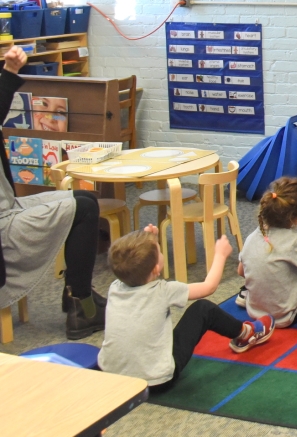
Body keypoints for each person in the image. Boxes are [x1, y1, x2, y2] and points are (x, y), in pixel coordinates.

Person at [0, 47, 104, 339]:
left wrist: (9, 72)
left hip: (11, 207)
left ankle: (75, 293)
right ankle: (82, 306)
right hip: (5, 228)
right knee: (83, 210)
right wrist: (8, 72)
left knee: (85, 201)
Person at [98, 226, 274, 391]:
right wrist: (220, 255)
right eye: (159, 249)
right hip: (158, 381)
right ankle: (246, 334)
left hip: (114, 377)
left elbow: (137, 263)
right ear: (156, 269)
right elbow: (209, 287)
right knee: (203, 310)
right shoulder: (162, 291)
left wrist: (150, 239)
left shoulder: (115, 287)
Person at [237, 177, 297, 327]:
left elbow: (241, 271)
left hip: (254, 311)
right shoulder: (296, 242)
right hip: (284, 316)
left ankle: (248, 293)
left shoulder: (253, 236)